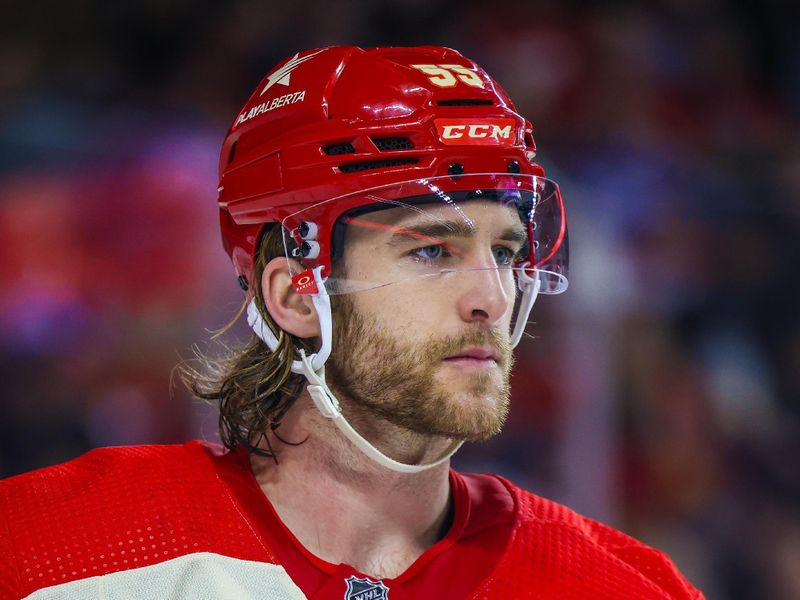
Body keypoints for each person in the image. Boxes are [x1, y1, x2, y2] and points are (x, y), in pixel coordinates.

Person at [0, 46, 703, 599]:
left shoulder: (626, 587)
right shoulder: (48, 553)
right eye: (433, 250)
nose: (492, 297)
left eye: (507, 251)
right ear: (295, 295)